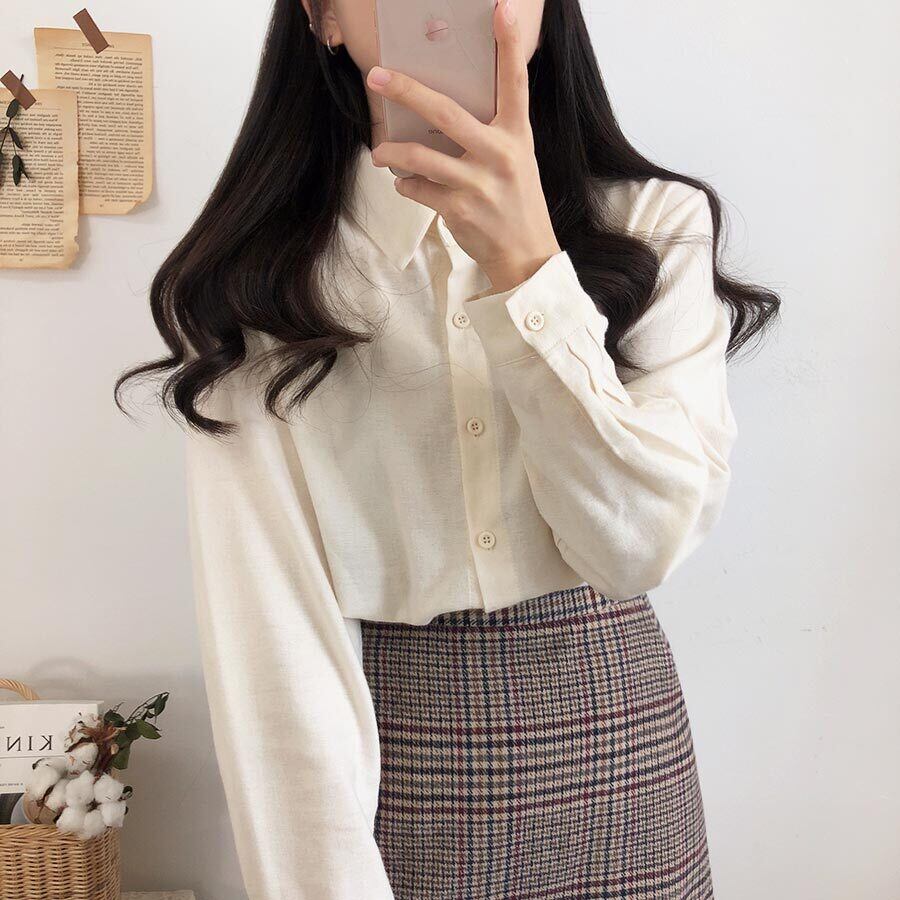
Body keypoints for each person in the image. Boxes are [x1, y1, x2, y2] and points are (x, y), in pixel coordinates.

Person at [116, 0, 780, 896]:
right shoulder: (263, 287)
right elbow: (271, 640)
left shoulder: (655, 225)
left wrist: (530, 273)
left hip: (619, 738)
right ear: (322, 17)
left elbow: (637, 550)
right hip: (388, 758)